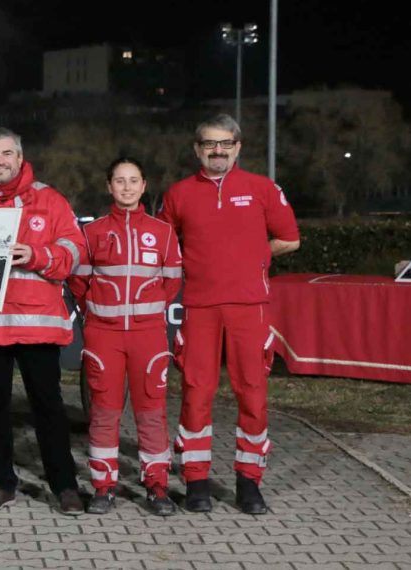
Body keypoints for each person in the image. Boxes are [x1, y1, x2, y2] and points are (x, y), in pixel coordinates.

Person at [160, 114, 300, 514]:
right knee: (196, 393)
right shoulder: (178, 194)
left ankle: (249, 481)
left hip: (249, 307)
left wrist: (253, 256)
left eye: (225, 143)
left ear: (238, 147)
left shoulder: (262, 188)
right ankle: (196, 480)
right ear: (197, 149)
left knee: (252, 393)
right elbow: (167, 248)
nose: (217, 150)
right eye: (209, 144)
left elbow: (289, 240)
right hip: (199, 307)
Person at [0, 127, 85, 515]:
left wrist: (35, 254)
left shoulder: (49, 199)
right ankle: (1, 484)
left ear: (20, 156)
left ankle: (65, 486)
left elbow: (74, 253)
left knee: (48, 406)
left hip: (37, 322)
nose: (0, 161)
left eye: (7, 154)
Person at [68, 157, 182, 516]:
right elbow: (78, 281)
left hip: (148, 337)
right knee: (104, 413)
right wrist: (99, 312)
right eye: (120, 181)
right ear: (109, 186)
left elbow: (171, 282)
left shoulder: (163, 232)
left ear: (144, 186)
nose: (127, 187)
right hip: (104, 337)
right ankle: (103, 487)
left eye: (134, 180)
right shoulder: (92, 232)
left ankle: (157, 486)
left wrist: (144, 313)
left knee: (152, 412)